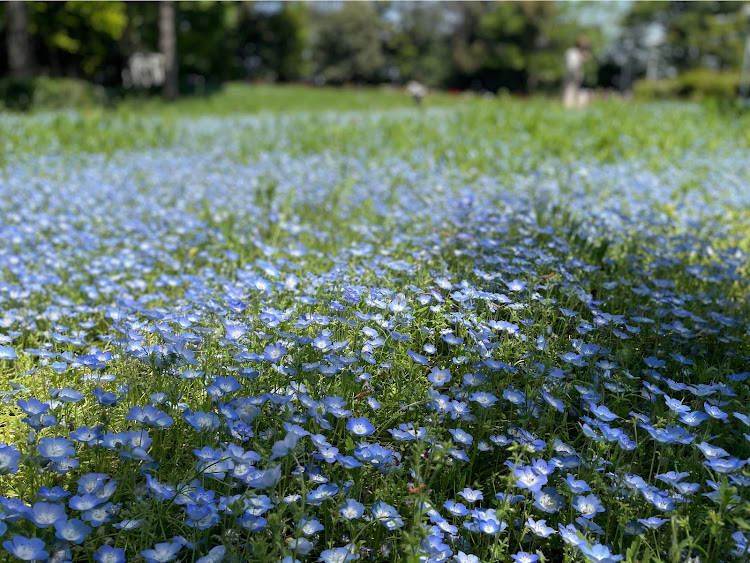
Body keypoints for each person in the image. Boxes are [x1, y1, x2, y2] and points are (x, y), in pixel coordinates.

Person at [563, 36, 591, 109]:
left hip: (578, 78)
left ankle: (576, 108)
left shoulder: (579, 53)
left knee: (578, 94)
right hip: (571, 77)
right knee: (569, 93)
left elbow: (587, 59)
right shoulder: (572, 52)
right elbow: (571, 66)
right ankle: (568, 109)